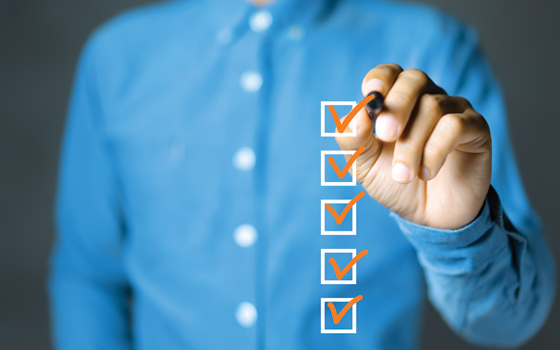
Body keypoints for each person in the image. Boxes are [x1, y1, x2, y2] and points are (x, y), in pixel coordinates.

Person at [48, 0, 556, 349]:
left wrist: (458, 234)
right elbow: (89, 272)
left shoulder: (435, 49)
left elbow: (512, 320)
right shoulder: (114, 59)